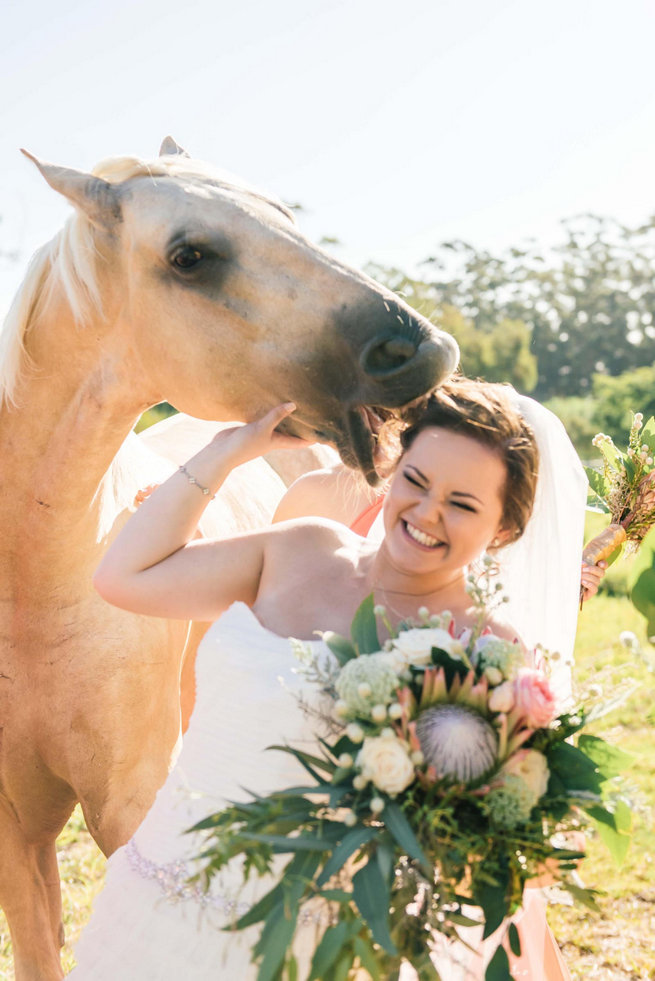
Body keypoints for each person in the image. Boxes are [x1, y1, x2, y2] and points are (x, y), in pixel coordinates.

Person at [70, 379, 585, 980]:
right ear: (392, 469)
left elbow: (484, 847)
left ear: (503, 530)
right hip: (172, 902)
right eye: (415, 481)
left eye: (463, 504)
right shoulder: (299, 550)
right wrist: (228, 449)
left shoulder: (488, 654)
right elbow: (123, 577)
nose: (427, 513)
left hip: (332, 943)